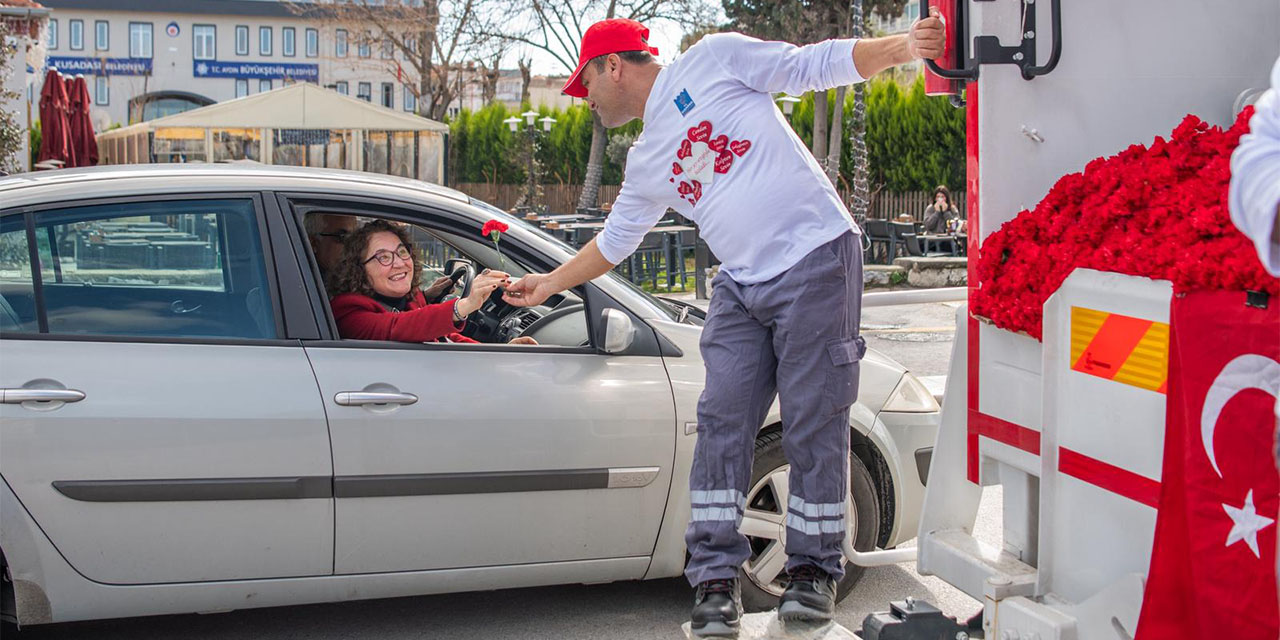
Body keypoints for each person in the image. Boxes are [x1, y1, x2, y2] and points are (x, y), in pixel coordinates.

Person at [501, 14, 944, 637]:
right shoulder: (647, 158)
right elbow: (616, 240)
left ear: (614, 65)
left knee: (814, 415)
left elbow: (811, 65)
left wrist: (905, 47)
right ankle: (714, 583)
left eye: (587, 85)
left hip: (815, 254)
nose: (588, 101)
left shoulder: (713, 59)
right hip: (741, 281)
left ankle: (813, 576)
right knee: (721, 420)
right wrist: (548, 284)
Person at [328, 220, 536, 345]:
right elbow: (397, 328)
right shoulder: (349, 312)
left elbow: (446, 339)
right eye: (383, 257)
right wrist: (463, 305)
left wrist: (499, 353)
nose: (399, 263)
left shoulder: (409, 298)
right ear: (359, 268)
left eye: (402, 252)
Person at [306, 213, 453, 301]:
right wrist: (459, 310)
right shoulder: (312, 286)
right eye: (343, 236)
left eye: (401, 252)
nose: (353, 244)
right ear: (314, 243)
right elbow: (392, 324)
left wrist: (427, 297)